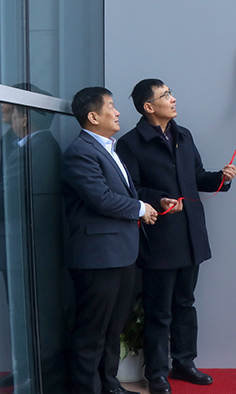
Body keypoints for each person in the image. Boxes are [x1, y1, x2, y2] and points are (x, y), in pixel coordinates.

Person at [116, 79, 236, 394]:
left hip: (191, 235)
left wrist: (221, 179)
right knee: (159, 310)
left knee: (186, 303)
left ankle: (184, 363)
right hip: (160, 237)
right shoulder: (130, 143)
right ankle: (156, 373)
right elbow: (131, 189)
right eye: (165, 95)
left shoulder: (184, 135)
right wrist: (159, 200)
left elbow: (196, 177)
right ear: (148, 106)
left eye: (170, 93)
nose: (173, 99)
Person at [62, 87, 158, 394]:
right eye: (111, 107)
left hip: (121, 254)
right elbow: (101, 198)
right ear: (93, 116)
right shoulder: (80, 151)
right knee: (91, 332)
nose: (117, 113)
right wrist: (140, 208)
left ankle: (109, 385)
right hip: (97, 258)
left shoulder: (107, 148)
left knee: (112, 327)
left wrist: (146, 206)